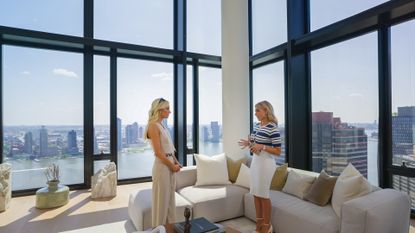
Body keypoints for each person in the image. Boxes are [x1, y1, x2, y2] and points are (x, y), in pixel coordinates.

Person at [238, 101, 281, 233]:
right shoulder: (257, 126)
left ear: (266, 111)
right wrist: (249, 143)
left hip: (266, 164)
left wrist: (262, 146)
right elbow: (255, 146)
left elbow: (278, 151)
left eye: (258, 111)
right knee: (256, 194)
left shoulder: (272, 127)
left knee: (263, 195)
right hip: (256, 162)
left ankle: (267, 226)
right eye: (255, 111)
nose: (255, 113)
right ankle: (259, 224)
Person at [144, 98, 182, 227]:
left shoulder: (163, 126)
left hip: (170, 166)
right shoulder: (153, 126)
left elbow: (170, 149)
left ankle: (172, 229)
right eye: (167, 109)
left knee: (171, 203)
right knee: (161, 204)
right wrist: (172, 166)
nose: (170, 111)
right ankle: (158, 229)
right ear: (159, 110)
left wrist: (176, 162)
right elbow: (158, 153)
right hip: (162, 168)